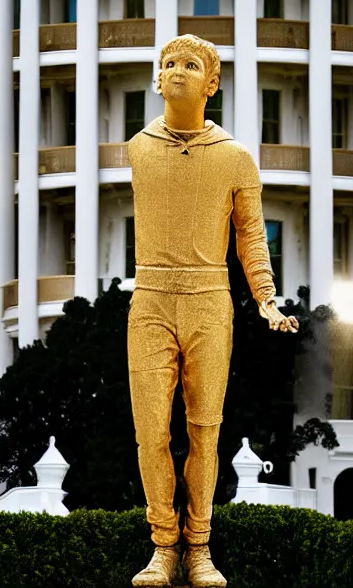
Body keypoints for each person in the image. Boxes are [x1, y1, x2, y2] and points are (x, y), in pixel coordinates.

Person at [127, 34, 298, 588]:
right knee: (151, 430)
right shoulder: (139, 149)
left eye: (190, 65)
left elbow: (251, 235)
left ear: (212, 83)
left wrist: (266, 298)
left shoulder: (235, 158)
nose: (176, 71)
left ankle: (198, 548)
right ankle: (162, 546)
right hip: (150, 298)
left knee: (205, 430)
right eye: (168, 64)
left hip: (209, 300)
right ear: (157, 79)